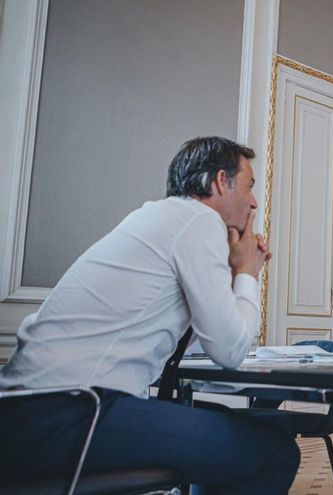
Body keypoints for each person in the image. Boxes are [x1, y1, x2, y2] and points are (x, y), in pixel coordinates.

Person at [0, 137, 299, 494]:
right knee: (275, 451)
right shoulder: (199, 220)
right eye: (250, 187)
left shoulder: (156, 218)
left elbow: (190, 340)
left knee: (230, 433)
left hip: (26, 414)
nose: (253, 202)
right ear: (221, 181)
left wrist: (235, 274)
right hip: (70, 414)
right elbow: (230, 351)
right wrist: (247, 271)